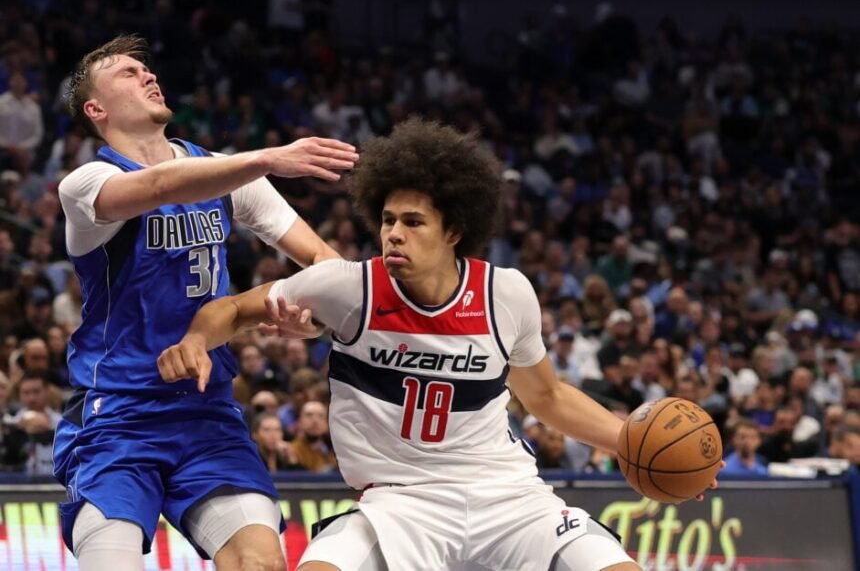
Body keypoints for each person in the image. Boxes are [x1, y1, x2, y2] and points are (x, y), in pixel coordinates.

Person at [161, 119, 720, 571]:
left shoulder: (506, 294)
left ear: (454, 231)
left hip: (509, 498)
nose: (393, 233)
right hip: (399, 503)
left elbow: (546, 397)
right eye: (387, 220)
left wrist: (640, 446)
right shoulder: (347, 288)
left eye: (413, 222)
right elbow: (232, 309)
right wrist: (196, 339)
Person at [51, 35, 358, 571]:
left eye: (147, 69)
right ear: (96, 110)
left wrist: (311, 318)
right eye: (127, 73)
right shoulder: (86, 183)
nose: (148, 75)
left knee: (263, 564)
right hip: (117, 414)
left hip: (206, 411)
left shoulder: (226, 172)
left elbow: (326, 265)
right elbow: (160, 188)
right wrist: (268, 158)